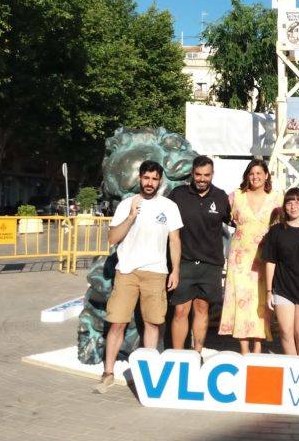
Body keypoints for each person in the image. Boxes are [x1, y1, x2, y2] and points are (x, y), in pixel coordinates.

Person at [96, 160, 182, 393]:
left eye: (154, 179)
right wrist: (131, 216)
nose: (150, 183)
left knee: (153, 323)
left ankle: (149, 373)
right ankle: (108, 372)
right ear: (140, 179)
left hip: (156, 272)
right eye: (146, 178)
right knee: (117, 323)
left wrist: (175, 270)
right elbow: (112, 238)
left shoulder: (169, 207)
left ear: (160, 181)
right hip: (127, 272)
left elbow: (174, 240)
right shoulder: (126, 205)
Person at [169, 156, 231, 352]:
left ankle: (197, 352)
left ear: (212, 175)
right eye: (198, 174)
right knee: (180, 311)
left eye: (206, 175)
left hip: (210, 264)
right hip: (184, 263)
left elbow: (242, 222)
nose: (202, 179)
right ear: (192, 174)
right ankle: (179, 357)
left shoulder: (221, 197)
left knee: (202, 309)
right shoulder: (178, 194)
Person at [219, 159, 281, 354]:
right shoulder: (235, 196)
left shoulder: (277, 197)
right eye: (251, 173)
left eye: (259, 173)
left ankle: (258, 346)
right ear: (247, 176)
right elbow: (220, 217)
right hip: (240, 258)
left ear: (266, 175)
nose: (255, 177)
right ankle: (244, 347)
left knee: (260, 300)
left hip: (265, 256)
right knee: (240, 299)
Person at [263, 188, 299, 356]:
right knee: (286, 333)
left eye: (297, 202)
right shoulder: (276, 232)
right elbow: (270, 262)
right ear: (284, 206)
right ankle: (292, 371)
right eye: (289, 202)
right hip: (283, 289)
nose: (293, 206)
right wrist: (269, 292)